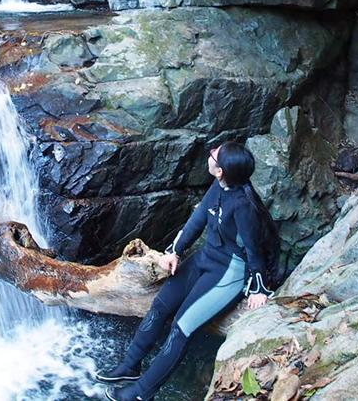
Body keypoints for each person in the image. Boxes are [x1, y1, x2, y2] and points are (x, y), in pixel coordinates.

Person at [97, 141, 281, 401]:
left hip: (229, 272)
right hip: (206, 257)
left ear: (221, 170)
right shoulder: (218, 185)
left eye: (215, 154)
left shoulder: (243, 206)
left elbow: (254, 250)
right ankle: (130, 366)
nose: (212, 152)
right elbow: (196, 221)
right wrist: (175, 251)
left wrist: (259, 288)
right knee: (161, 305)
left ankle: (140, 394)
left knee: (182, 327)